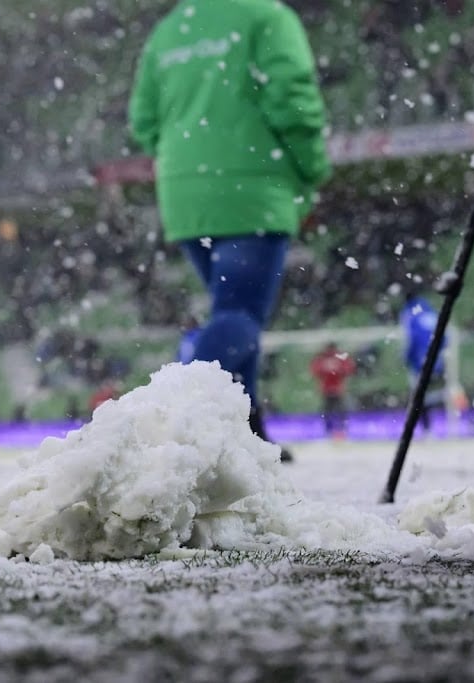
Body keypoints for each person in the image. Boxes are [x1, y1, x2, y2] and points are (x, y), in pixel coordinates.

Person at [129, 0, 332, 463]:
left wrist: (188, 155)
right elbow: (291, 100)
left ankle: (248, 430)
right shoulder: (266, 18)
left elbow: (143, 120)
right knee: (240, 313)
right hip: (253, 185)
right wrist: (313, 167)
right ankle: (175, 418)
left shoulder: (169, 30)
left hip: (184, 194)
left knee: (230, 310)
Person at [401, 290, 447, 432]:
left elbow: (412, 338)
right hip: (437, 359)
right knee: (435, 391)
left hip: (419, 362)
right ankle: (457, 419)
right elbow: (444, 337)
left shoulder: (410, 313)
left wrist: (407, 358)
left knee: (419, 396)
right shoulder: (429, 311)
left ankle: (426, 428)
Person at [309, 342, 356, 438]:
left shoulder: (324, 358)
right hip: (333, 389)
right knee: (335, 410)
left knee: (333, 410)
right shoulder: (336, 358)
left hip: (332, 389)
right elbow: (349, 368)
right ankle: (337, 429)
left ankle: (334, 429)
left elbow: (315, 370)